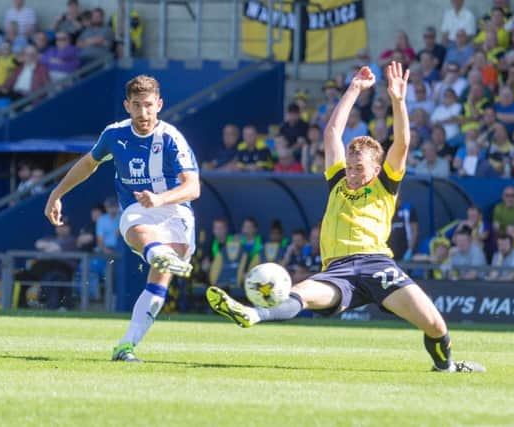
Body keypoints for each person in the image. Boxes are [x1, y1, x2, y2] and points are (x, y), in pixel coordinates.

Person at [206, 63, 485, 373]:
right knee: (299, 295)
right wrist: (354, 88)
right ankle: (253, 313)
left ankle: (445, 367)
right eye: (349, 167)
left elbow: (402, 143)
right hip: (338, 270)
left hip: (377, 266)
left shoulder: (386, 184)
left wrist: (397, 100)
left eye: (358, 169)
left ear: (376, 169)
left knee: (434, 324)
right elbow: (332, 133)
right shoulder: (338, 181)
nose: (351, 174)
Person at [44, 75, 199, 362]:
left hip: (175, 209)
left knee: (159, 280)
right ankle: (158, 252)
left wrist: (161, 199)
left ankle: (126, 345)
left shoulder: (171, 138)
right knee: (142, 230)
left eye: (149, 106)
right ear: (127, 106)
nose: (144, 113)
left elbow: (193, 187)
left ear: (159, 105)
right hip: (136, 207)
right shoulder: (114, 135)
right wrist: (57, 193)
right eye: (137, 105)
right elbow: (89, 163)